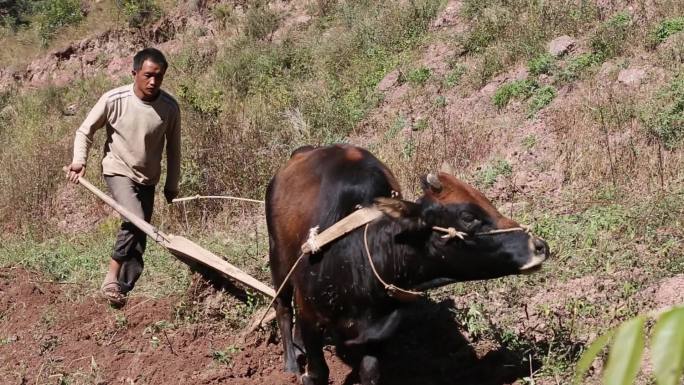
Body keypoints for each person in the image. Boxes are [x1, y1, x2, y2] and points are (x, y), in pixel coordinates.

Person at [65, 47, 181, 307]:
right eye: (148, 75)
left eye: (159, 77)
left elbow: (174, 148)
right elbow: (85, 131)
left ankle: (121, 291)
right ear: (134, 73)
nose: (153, 82)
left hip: (148, 178)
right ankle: (110, 276)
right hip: (117, 169)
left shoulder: (170, 108)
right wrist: (79, 161)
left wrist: (172, 185)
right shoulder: (114, 99)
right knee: (136, 220)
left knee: (140, 238)